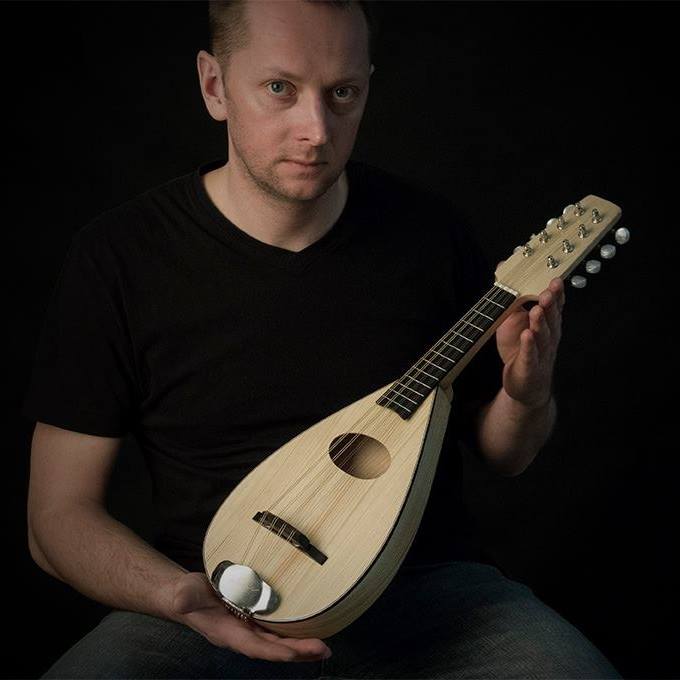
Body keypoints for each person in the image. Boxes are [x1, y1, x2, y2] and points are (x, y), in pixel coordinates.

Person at [22, 0, 622, 677]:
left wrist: (526, 393)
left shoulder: (428, 233)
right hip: (212, 596)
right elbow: (57, 516)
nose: (316, 130)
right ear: (215, 86)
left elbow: (505, 455)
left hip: (428, 594)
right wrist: (176, 597)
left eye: (343, 93)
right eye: (280, 88)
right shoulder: (119, 257)